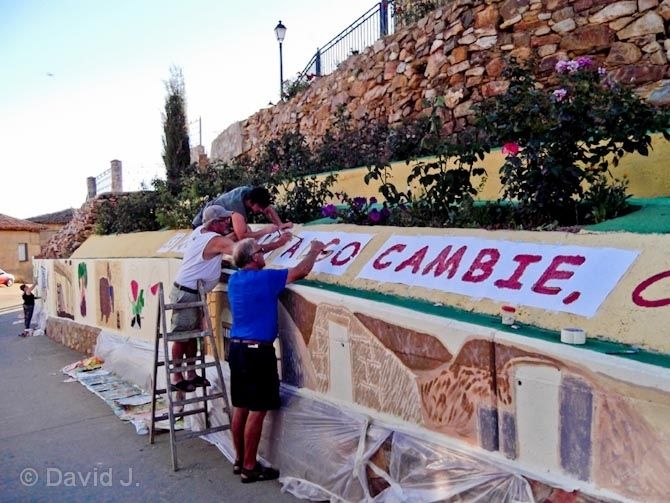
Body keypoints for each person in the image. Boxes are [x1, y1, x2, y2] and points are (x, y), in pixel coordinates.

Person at [227, 237, 325, 483]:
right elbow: (301, 271)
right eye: (260, 251)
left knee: (241, 406)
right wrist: (314, 251)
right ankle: (250, 467)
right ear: (253, 258)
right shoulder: (265, 279)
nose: (263, 254)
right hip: (257, 353)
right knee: (257, 409)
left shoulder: (234, 280)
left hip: (237, 349)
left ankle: (239, 460)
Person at [170, 205, 290, 392]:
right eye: (224, 220)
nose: (228, 222)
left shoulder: (200, 232)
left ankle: (191, 373)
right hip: (187, 293)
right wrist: (275, 241)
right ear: (214, 223)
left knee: (192, 335)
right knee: (182, 337)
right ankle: (177, 376)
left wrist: (239, 236)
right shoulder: (214, 240)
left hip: (192, 292)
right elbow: (244, 252)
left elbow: (226, 242)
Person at [191, 186, 292, 240]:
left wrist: (280, 224)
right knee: (237, 236)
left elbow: (267, 208)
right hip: (202, 223)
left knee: (245, 230)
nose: (262, 211)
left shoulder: (250, 193)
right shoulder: (237, 210)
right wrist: (265, 231)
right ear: (250, 202)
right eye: (260, 207)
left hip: (218, 217)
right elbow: (242, 236)